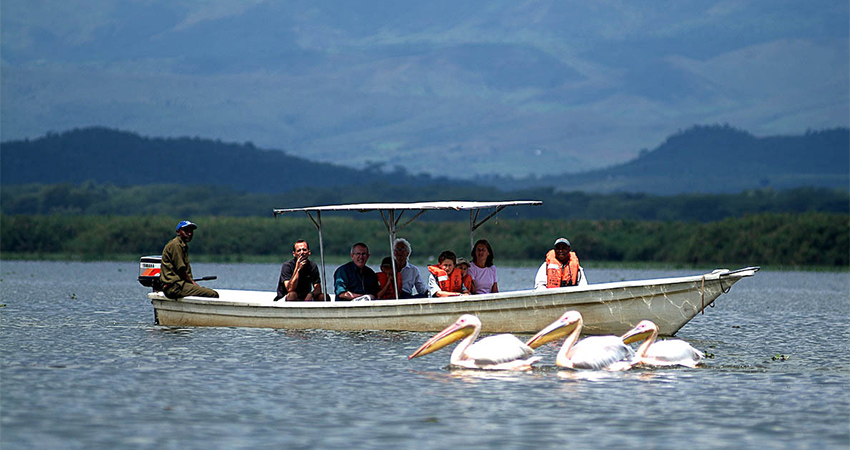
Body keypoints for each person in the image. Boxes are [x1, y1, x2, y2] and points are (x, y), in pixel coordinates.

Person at [160, 220, 219, 299]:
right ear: (178, 232)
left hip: (177, 285)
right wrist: (192, 283)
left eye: (191, 231)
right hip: (174, 287)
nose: (190, 234)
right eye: (186, 231)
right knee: (213, 294)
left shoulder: (181, 245)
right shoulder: (176, 245)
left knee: (204, 291)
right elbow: (181, 270)